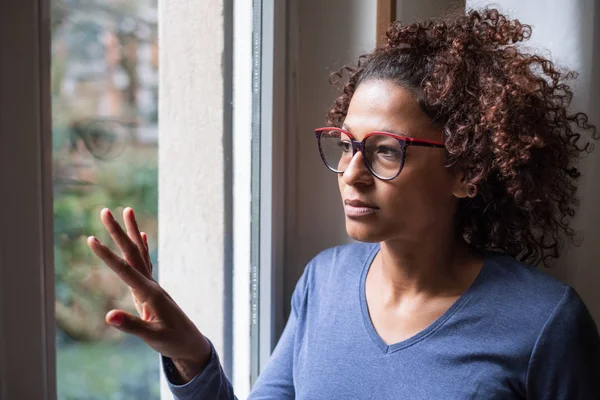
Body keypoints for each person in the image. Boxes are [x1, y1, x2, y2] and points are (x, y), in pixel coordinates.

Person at [88, 8, 600, 399]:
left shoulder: (544, 324)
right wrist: (191, 356)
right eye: (347, 144)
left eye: (385, 152)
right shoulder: (324, 282)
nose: (352, 174)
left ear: (466, 172)